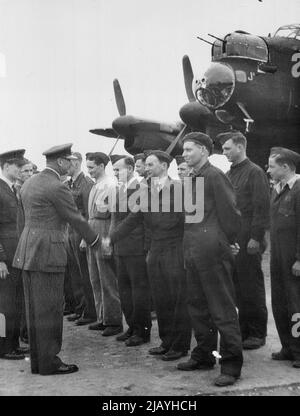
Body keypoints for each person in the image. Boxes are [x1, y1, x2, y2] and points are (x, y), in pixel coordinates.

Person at [12, 143, 99, 375]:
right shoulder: (56, 186)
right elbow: (75, 218)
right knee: (50, 309)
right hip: (48, 253)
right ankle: (50, 362)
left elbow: (24, 220)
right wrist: (96, 240)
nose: (71, 165)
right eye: (69, 161)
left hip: (29, 251)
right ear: (60, 162)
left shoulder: (30, 182)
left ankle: (39, 362)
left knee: (34, 311)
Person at [104, 150, 191, 361]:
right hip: (155, 250)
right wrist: (112, 238)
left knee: (176, 299)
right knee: (161, 299)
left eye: (151, 164)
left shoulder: (179, 188)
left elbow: (188, 222)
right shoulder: (147, 189)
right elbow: (134, 218)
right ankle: (166, 341)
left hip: (174, 249)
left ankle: (180, 346)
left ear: (163, 165)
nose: (147, 168)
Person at [177, 132, 243, 387]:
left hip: (212, 253)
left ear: (204, 151)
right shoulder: (193, 177)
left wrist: (228, 242)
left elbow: (231, 213)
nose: (184, 155)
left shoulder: (214, 176)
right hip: (193, 252)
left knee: (222, 309)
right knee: (197, 307)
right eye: (184, 150)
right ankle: (203, 355)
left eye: (189, 150)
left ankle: (231, 366)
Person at [220, 131, 269, 350]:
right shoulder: (230, 173)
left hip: (249, 236)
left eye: (227, 148)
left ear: (240, 147)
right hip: (235, 238)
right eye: (223, 149)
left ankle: (257, 334)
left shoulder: (255, 172)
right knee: (238, 287)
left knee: (252, 287)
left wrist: (256, 238)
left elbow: (261, 207)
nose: (224, 152)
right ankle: (245, 330)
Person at [110, 155, 151, 346]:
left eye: (119, 169)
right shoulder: (122, 189)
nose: (116, 173)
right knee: (125, 290)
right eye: (115, 170)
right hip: (122, 247)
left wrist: (112, 237)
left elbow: (136, 219)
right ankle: (133, 327)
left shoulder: (141, 188)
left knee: (138, 291)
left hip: (135, 247)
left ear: (131, 168)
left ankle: (142, 331)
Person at [267, 147, 300, 368]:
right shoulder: (278, 188)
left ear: (286, 167)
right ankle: (287, 347)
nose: (268, 170)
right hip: (278, 255)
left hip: (293, 257)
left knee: (296, 304)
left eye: (272, 166)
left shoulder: (298, 189)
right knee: (279, 302)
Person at [83, 152, 123, 336]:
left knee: (107, 278)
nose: (89, 170)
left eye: (91, 167)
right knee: (95, 277)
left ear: (101, 166)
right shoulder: (95, 185)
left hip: (105, 229)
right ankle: (102, 317)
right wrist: (86, 235)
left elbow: (115, 215)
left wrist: (109, 239)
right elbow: (90, 214)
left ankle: (114, 321)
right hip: (93, 229)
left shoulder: (111, 185)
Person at [0, 149, 28, 360]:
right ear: (6, 166)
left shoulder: (10, 189)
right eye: (17, 166)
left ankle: (13, 344)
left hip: (15, 253)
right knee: (5, 303)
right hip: (6, 256)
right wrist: (0, 259)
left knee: (15, 302)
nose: (20, 169)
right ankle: (5, 347)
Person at [65, 152, 97, 327]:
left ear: (76, 163)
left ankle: (90, 311)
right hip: (70, 232)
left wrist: (86, 236)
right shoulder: (69, 183)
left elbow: (88, 213)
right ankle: (81, 308)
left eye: (68, 163)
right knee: (75, 273)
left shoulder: (86, 184)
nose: (65, 166)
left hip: (80, 233)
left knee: (85, 273)